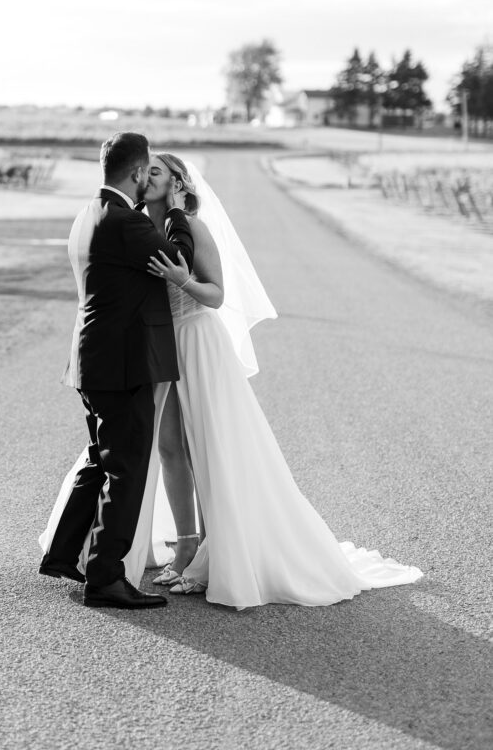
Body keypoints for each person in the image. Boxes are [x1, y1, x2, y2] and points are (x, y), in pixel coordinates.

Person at [142, 153, 423, 608]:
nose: (146, 177)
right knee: (170, 446)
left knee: (207, 446)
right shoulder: (138, 227)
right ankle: (185, 542)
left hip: (196, 337)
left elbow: (216, 294)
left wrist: (182, 280)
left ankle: (213, 553)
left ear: (178, 183)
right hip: (158, 343)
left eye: (156, 171)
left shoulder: (195, 229)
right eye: (144, 171)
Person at [38, 132, 194, 610]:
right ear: (134, 172)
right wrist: (178, 214)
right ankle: (106, 579)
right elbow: (180, 264)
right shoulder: (127, 223)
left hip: (92, 360)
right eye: (146, 171)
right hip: (123, 364)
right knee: (126, 471)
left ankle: (65, 553)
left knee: (100, 458)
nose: (149, 179)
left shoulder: (89, 212)